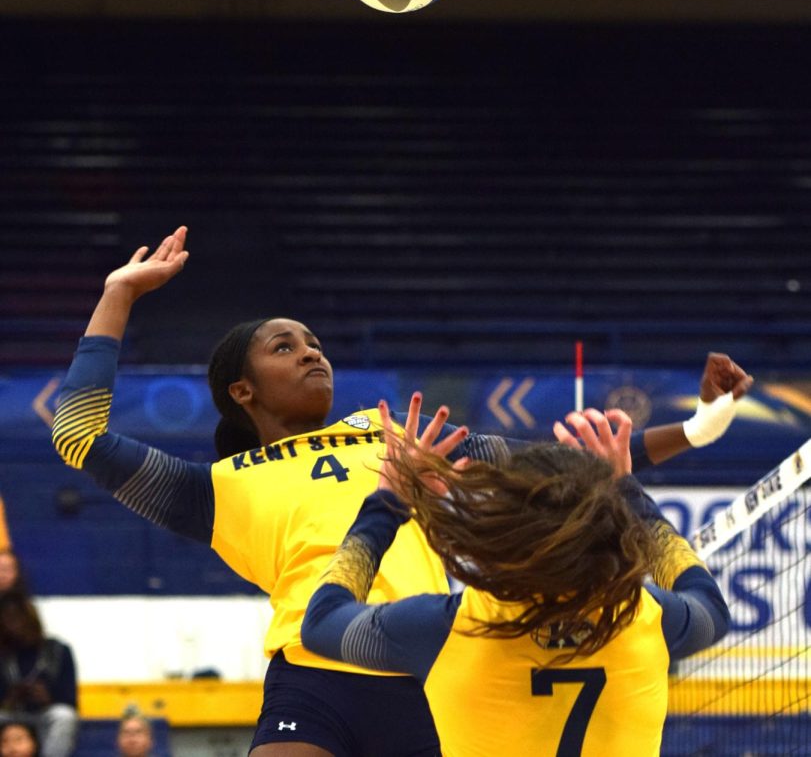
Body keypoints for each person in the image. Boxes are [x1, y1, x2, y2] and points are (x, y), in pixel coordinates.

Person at [50, 226, 750, 757]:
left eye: (315, 341)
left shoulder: (392, 436)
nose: (311, 351)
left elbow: (569, 462)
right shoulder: (215, 487)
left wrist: (700, 426)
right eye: (285, 346)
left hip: (431, 659)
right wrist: (119, 294)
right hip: (315, 671)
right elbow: (78, 434)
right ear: (243, 390)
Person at [301, 401, 730, 756]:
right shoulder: (649, 617)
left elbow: (320, 621)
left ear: (502, 528)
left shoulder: (441, 627)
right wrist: (630, 493)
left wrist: (388, 504)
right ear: (612, 526)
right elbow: (708, 604)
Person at [0, 594, 77, 757]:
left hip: (44, 715)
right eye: (8, 619)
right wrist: (10, 698)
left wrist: (48, 698)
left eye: (19, 618)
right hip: (10, 715)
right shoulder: (3, 653)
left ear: (32, 619)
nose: (14, 625)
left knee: (64, 717)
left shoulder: (58, 650)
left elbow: (71, 701)